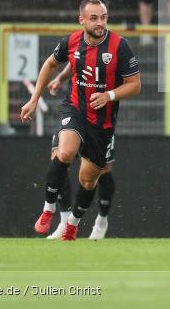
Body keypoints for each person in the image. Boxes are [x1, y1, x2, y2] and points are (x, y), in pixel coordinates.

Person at [23, 0, 141, 242]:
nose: (100, 23)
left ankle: (74, 224)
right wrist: (34, 99)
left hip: (103, 122)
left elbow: (135, 86)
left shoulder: (120, 46)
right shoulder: (71, 40)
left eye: (104, 17)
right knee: (63, 154)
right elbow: (51, 63)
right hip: (75, 109)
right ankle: (49, 209)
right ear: (82, 20)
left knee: (88, 180)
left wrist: (109, 95)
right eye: (94, 18)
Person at [45, 63, 117, 240]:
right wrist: (60, 78)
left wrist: (110, 94)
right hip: (74, 111)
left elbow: (132, 82)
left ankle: (101, 220)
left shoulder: (116, 47)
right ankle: (63, 221)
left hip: (100, 119)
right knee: (59, 156)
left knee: (102, 171)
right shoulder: (79, 42)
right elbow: (74, 62)